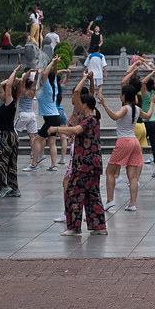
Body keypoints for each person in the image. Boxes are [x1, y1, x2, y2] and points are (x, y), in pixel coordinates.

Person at [49, 71, 106, 235]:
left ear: (86, 105)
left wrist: (57, 128)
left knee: (73, 193)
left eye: (81, 102)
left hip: (84, 164)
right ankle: (99, 227)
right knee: (92, 194)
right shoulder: (95, 118)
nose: (78, 104)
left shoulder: (89, 120)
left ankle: (74, 227)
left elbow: (75, 130)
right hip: (93, 163)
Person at [99, 83, 155, 212]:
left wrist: (103, 104)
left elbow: (114, 116)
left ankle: (109, 200)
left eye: (121, 94)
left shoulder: (125, 108)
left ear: (124, 96)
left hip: (124, 141)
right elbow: (148, 116)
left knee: (110, 171)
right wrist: (152, 102)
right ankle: (132, 203)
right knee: (133, 176)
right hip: (135, 142)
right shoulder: (137, 109)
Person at [0, 66, 21, 198]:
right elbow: (2, 84)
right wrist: (16, 79)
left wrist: (14, 72)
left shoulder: (10, 104)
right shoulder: (4, 102)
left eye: (3, 92)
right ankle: (14, 188)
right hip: (10, 136)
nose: (1, 94)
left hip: (8, 136)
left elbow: (8, 85)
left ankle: (3, 187)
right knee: (10, 163)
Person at [35, 56, 62, 171]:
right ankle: (53, 165)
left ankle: (33, 163)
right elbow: (54, 74)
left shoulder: (47, 87)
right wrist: (56, 63)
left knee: (37, 140)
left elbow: (45, 74)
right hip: (55, 117)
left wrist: (51, 61)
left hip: (51, 118)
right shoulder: (54, 85)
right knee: (51, 143)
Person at [18, 69, 43, 171]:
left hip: (23, 114)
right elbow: (36, 80)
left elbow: (23, 80)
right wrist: (36, 73)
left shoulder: (22, 91)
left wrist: (30, 71)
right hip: (32, 115)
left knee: (14, 132)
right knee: (32, 136)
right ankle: (33, 153)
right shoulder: (32, 91)